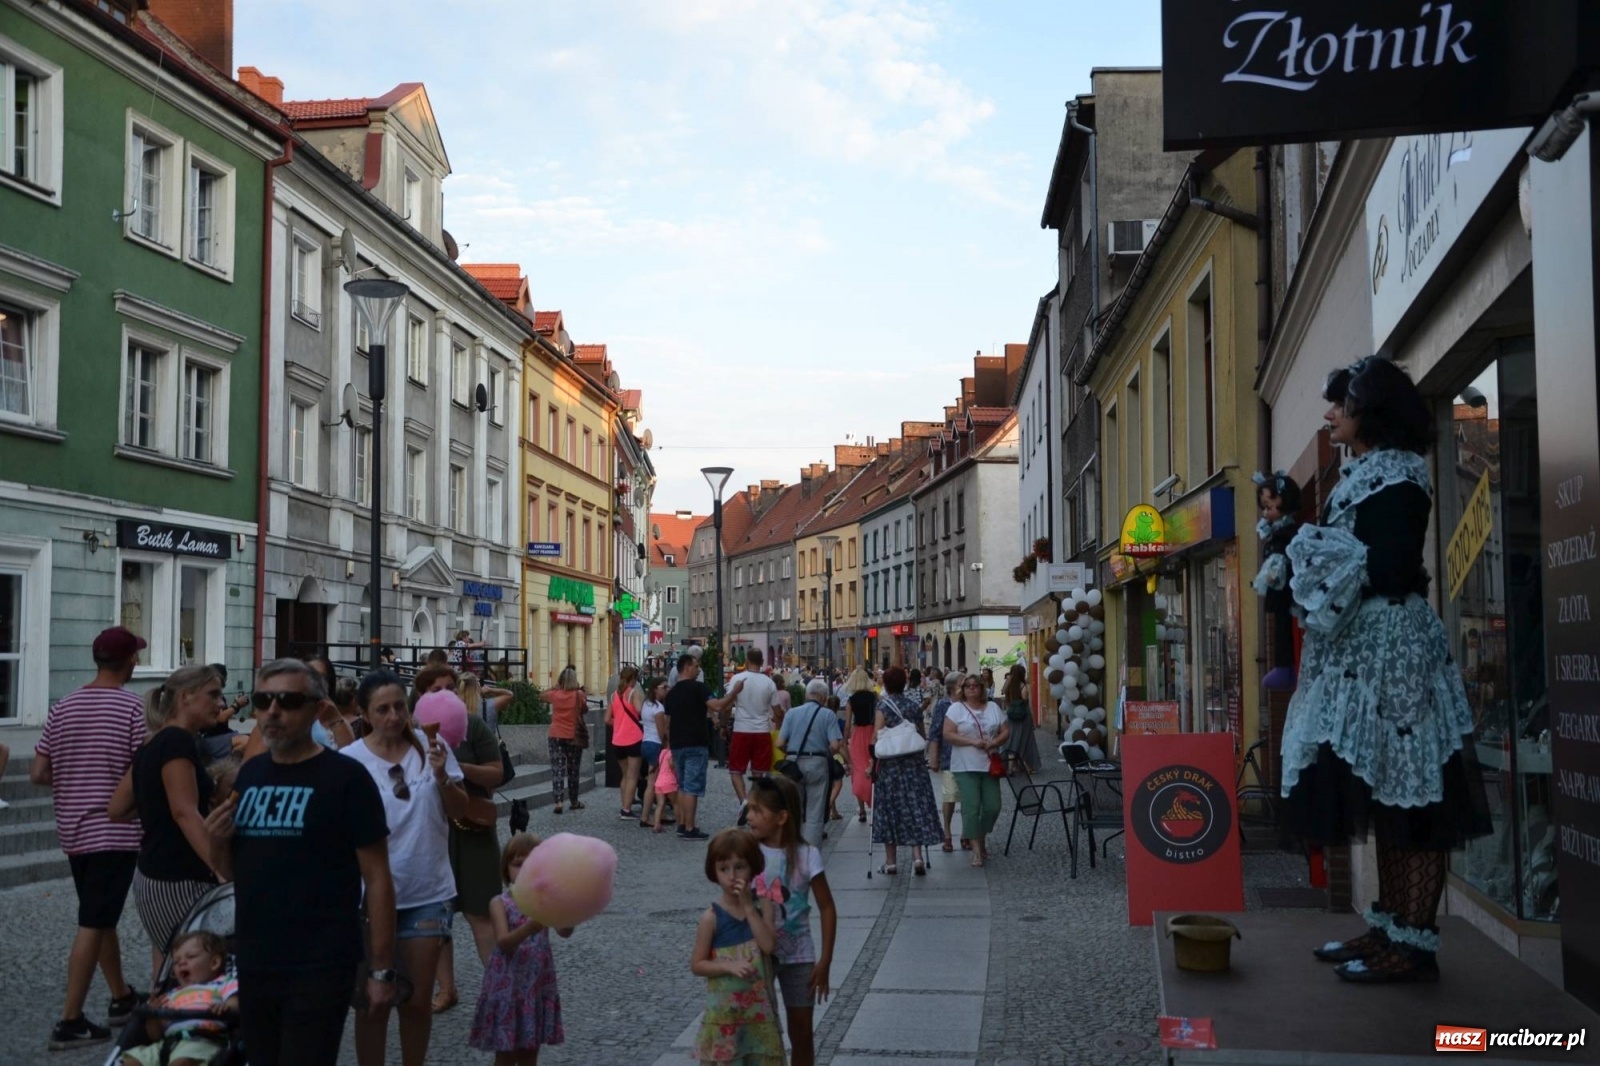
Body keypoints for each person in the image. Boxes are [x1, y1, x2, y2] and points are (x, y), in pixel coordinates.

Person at [1282, 356, 1489, 983]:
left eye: (1339, 405)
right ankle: (1389, 928)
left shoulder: (1396, 477)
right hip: (1365, 651)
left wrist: (1320, 560)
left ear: (1367, 412)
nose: (1330, 414)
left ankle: (1414, 944)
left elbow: (1394, 567)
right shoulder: (1369, 474)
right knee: (1386, 797)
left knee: (1411, 802)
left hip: (1393, 654)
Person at [203, 658, 395, 1066]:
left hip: (321, 962)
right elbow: (233, 872)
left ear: (314, 707)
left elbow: (378, 879)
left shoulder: (347, 779)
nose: (273, 711)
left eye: (288, 700)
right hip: (256, 960)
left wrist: (380, 970)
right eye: (263, 700)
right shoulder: (251, 774)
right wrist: (217, 843)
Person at [343, 669, 469, 1066]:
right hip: (367, 898)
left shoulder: (432, 749)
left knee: (416, 1002)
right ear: (364, 713)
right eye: (382, 709)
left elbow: (462, 813)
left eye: (400, 706)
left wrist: (441, 777)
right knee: (372, 1004)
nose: (394, 716)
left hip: (426, 891)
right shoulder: (349, 763)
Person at [32, 626, 148, 1050]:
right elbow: (142, 770)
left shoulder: (63, 706)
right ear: (131, 662)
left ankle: (120, 997)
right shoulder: (132, 709)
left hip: (74, 831)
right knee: (93, 921)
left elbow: (39, 773)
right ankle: (70, 1020)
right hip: (114, 831)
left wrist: (75, 784)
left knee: (100, 917)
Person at [129, 665, 225, 984]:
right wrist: (221, 871)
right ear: (185, 697)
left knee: (171, 972)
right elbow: (184, 812)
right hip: (178, 876)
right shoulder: (175, 741)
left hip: (153, 873)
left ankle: (164, 1029)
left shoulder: (153, 742)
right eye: (213, 694)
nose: (221, 703)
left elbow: (118, 808)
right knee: (195, 974)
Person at [747, 776, 837, 1066]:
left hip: (799, 956)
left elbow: (827, 908)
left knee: (801, 1033)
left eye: (757, 810)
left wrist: (825, 961)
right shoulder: (748, 852)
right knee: (757, 1029)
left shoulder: (807, 855)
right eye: (749, 809)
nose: (749, 816)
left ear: (782, 817)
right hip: (757, 954)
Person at [433, 675, 508, 1015]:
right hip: (432, 832)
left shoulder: (473, 725)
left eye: (448, 688)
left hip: (473, 827)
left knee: (480, 911)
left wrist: (458, 768)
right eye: (434, 689)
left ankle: (500, 987)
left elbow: (497, 773)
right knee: (437, 917)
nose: (442, 695)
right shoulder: (412, 731)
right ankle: (446, 989)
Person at [469, 833, 571, 1065]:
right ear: (506, 869)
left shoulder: (544, 901)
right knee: (505, 1052)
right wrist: (530, 927)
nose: (524, 871)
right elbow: (504, 942)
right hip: (508, 987)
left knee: (529, 1050)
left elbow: (565, 932)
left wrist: (570, 910)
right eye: (517, 865)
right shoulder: (500, 903)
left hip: (535, 986)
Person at [690, 829, 784, 1066]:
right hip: (725, 1017)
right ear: (714, 872)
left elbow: (768, 945)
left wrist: (748, 907)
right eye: (724, 869)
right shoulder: (711, 918)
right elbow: (698, 964)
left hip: (758, 1017)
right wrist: (727, 966)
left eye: (740, 867)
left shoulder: (763, 906)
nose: (732, 876)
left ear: (753, 867)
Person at [118, 930, 238, 1066]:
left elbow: (236, 1002)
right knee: (131, 1061)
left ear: (214, 963)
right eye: (176, 962)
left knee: (182, 1062)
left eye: (191, 957)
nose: (181, 963)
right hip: (167, 1044)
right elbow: (154, 1035)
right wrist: (154, 1014)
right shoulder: (171, 994)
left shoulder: (223, 983)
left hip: (203, 1041)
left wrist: (227, 1007)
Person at [871, 666, 945, 876]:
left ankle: (891, 862)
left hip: (891, 769)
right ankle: (917, 857)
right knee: (914, 808)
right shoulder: (913, 706)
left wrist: (870, 765)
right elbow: (922, 734)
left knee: (890, 810)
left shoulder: (883, 707)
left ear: (885, 684)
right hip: (914, 768)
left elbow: (875, 738)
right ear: (904, 683)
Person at [663, 653, 740, 840]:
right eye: (696, 666)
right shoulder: (699, 688)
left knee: (682, 785)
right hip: (696, 743)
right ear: (687, 667)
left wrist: (669, 747)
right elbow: (717, 706)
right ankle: (690, 827)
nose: (698, 670)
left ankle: (682, 824)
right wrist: (735, 692)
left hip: (677, 744)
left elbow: (667, 722)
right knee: (692, 787)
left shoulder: (671, 693)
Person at [944, 674, 1011, 868]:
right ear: (962, 690)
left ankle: (980, 836)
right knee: (971, 808)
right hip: (965, 765)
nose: (972, 689)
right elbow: (947, 734)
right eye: (968, 686)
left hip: (989, 764)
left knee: (992, 807)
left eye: (976, 686)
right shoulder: (956, 709)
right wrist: (972, 742)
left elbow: (1006, 730)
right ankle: (976, 850)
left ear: (982, 688)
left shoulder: (993, 708)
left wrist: (995, 742)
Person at [1253, 469, 1304, 691]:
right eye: (1264, 507)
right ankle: (1283, 667)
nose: (1266, 512)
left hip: (1287, 585)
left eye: (1269, 506)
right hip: (1280, 585)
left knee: (1285, 623)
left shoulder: (1288, 533)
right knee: (1280, 624)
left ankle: (1285, 667)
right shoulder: (1277, 532)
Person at [776, 679, 843, 846]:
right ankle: (810, 855)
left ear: (807, 695)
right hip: (817, 763)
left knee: (793, 809)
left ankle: (793, 849)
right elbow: (835, 745)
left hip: (793, 765)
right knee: (815, 813)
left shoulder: (791, 713)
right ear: (823, 697)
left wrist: (792, 752)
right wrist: (825, 754)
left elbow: (779, 743)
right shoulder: (828, 714)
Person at [724, 648, 782, 807]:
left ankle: (743, 801)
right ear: (762, 662)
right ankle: (754, 801)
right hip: (762, 731)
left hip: (741, 729)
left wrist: (723, 725)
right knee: (759, 772)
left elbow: (727, 706)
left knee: (736, 771)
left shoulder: (737, 678)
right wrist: (779, 729)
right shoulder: (769, 682)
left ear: (747, 661)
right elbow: (778, 711)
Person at [926, 673, 964, 852]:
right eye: (962, 683)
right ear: (953, 687)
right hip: (949, 757)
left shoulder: (969, 703)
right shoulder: (943, 705)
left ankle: (967, 833)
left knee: (968, 798)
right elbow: (935, 732)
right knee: (950, 796)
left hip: (969, 756)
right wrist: (933, 758)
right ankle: (947, 832)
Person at [542, 668, 588, 814]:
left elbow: (540, 695)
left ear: (561, 680)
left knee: (557, 769)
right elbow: (584, 710)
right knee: (573, 770)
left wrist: (554, 687)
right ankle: (574, 801)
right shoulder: (579, 694)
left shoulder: (554, 695)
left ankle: (559, 801)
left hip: (555, 735)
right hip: (573, 736)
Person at [605, 665, 646, 820]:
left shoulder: (614, 695)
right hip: (633, 738)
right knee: (633, 775)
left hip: (617, 740)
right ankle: (626, 810)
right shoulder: (633, 693)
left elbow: (606, 719)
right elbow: (639, 710)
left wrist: (620, 723)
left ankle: (624, 806)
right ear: (633, 679)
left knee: (625, 775)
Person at [843, 670, 877, 823]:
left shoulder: (851, 700)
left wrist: (845, 740)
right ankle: (874, 802)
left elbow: (848, 723)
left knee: (858, 769)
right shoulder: (874, 697)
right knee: (873, 767)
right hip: (872, 733)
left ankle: (862, 810)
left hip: (857, 735)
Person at [638, 678, 671, 830]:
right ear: (655, 689)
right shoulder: (658, 708)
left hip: (645, 742)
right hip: (655, 744)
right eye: (664, 687)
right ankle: (645, 817)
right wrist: (667, 745)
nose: (666, 690)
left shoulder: (646, 704)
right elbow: (661, 731)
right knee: (653, 783)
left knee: (655, 781)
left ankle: (660, 813)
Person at [1000, 665, 1041, 772]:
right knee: (1024, 740)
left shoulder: (1009, 686)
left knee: (1012, 739)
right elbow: (1029, 704)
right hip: (1024, 716)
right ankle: (1025, 765)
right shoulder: (1025, 686)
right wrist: (1033, 721)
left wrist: (1009, 679)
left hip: (1011, 716)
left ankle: (1011, 766)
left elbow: (1003, 693)